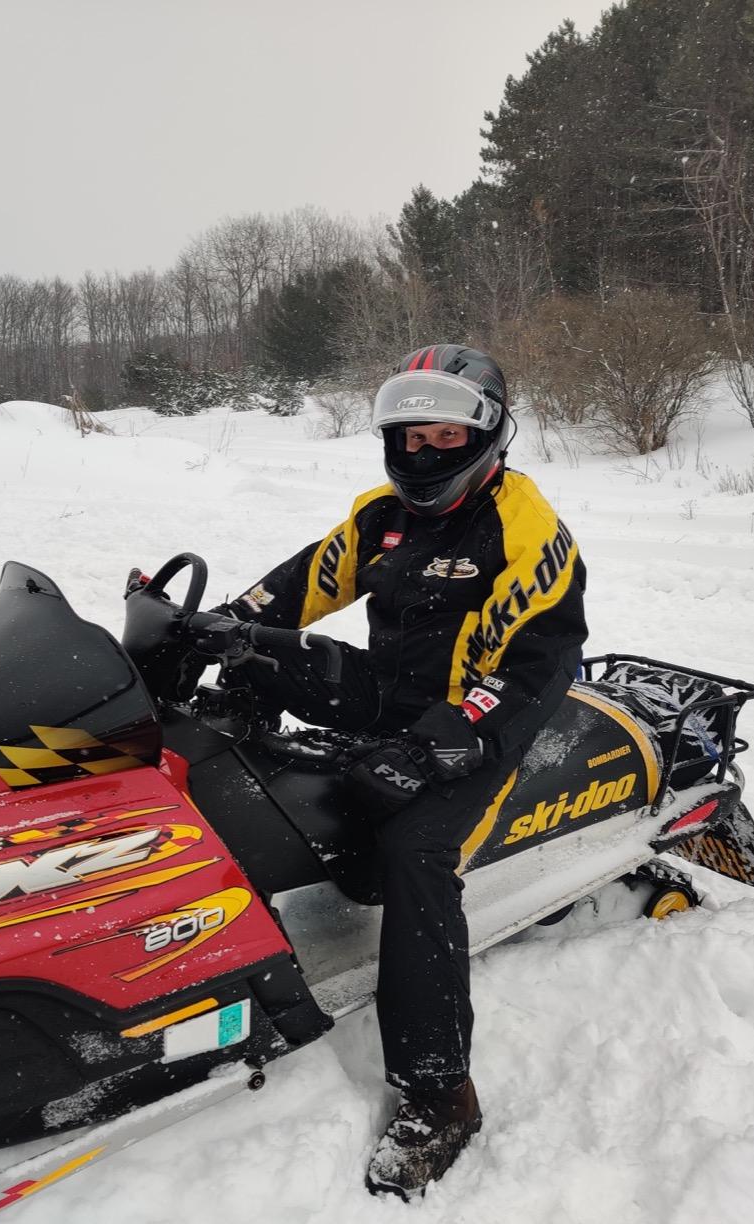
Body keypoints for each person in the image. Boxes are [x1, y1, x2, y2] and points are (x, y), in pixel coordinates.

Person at [215, 344, 588, 1198]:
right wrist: (223, 624)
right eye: (409, 437)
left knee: (416, 855)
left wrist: (439, 744)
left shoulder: (524, 530)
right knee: (255, 655)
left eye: (445, 435)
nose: (424, 454)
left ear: (488, 435)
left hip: (477, 719)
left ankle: (440, 1090)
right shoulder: (384, 516)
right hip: (392, 694)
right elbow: (304, 582)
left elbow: (539, 668)